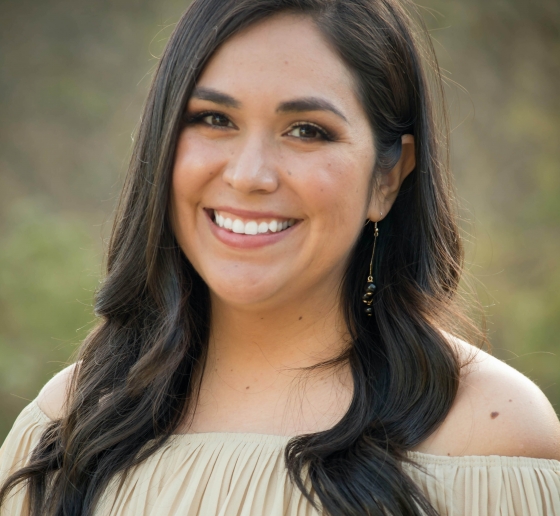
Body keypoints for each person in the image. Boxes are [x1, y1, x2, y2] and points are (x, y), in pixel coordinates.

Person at [1, 0, 559, 514]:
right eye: (214, 120)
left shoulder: (488, 437)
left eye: (306, 131)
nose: (248, 176)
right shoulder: (70, 423)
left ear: (387, 178)